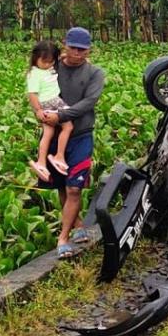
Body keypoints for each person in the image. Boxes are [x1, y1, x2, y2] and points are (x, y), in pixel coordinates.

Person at [39, 27, 105, 258]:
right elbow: (37, 90)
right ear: (64, 44)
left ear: (89, 50)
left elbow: (89, 102)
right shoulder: (52, 68)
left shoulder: (95, 73)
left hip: (81, 136)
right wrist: (41, 113)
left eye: (82, 50)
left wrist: (60, 116)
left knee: (74, 187)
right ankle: (77, 226)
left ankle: (63, 238)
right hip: (53, 136)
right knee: (62, 187)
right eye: (73, 48)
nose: (77, 53)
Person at [27, 41, 75, 183]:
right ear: (35, 58)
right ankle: (59, 156)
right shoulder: (34, 74)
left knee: (48, 133)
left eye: (50, 61)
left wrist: (67, 54)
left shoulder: (49, 67)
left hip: (50, 102)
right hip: (51, 103)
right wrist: (38, 110)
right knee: (68, 126)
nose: (47, 64)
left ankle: (41, 163)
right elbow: (32, 94)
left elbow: (59, 57)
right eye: (44, 61)